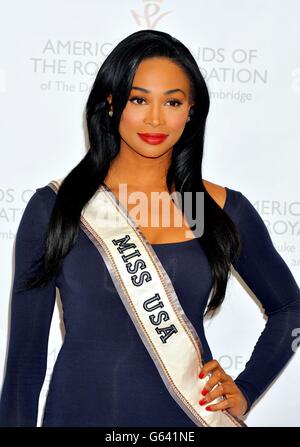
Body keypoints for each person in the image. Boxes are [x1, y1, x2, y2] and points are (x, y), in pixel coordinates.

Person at [0, 29, 299, 427]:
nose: (155, 118)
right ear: (110, 104)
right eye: (138, 99)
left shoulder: (201, 208)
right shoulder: (61, 207)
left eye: (172, 101)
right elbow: (24, 363)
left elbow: (291, 309)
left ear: (191, 110)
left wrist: (247, 388)